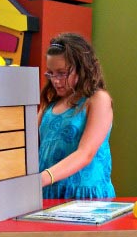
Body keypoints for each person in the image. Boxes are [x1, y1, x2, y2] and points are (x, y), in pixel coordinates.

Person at [38, 32, 116, 199]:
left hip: (85, 196)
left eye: (62, 73)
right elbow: (29, 148)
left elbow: (85, 153)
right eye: (51, 73)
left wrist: (42, 178)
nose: (55, 81)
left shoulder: (97, 100)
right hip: (48, 193)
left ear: (82, 68)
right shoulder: (49, 103)